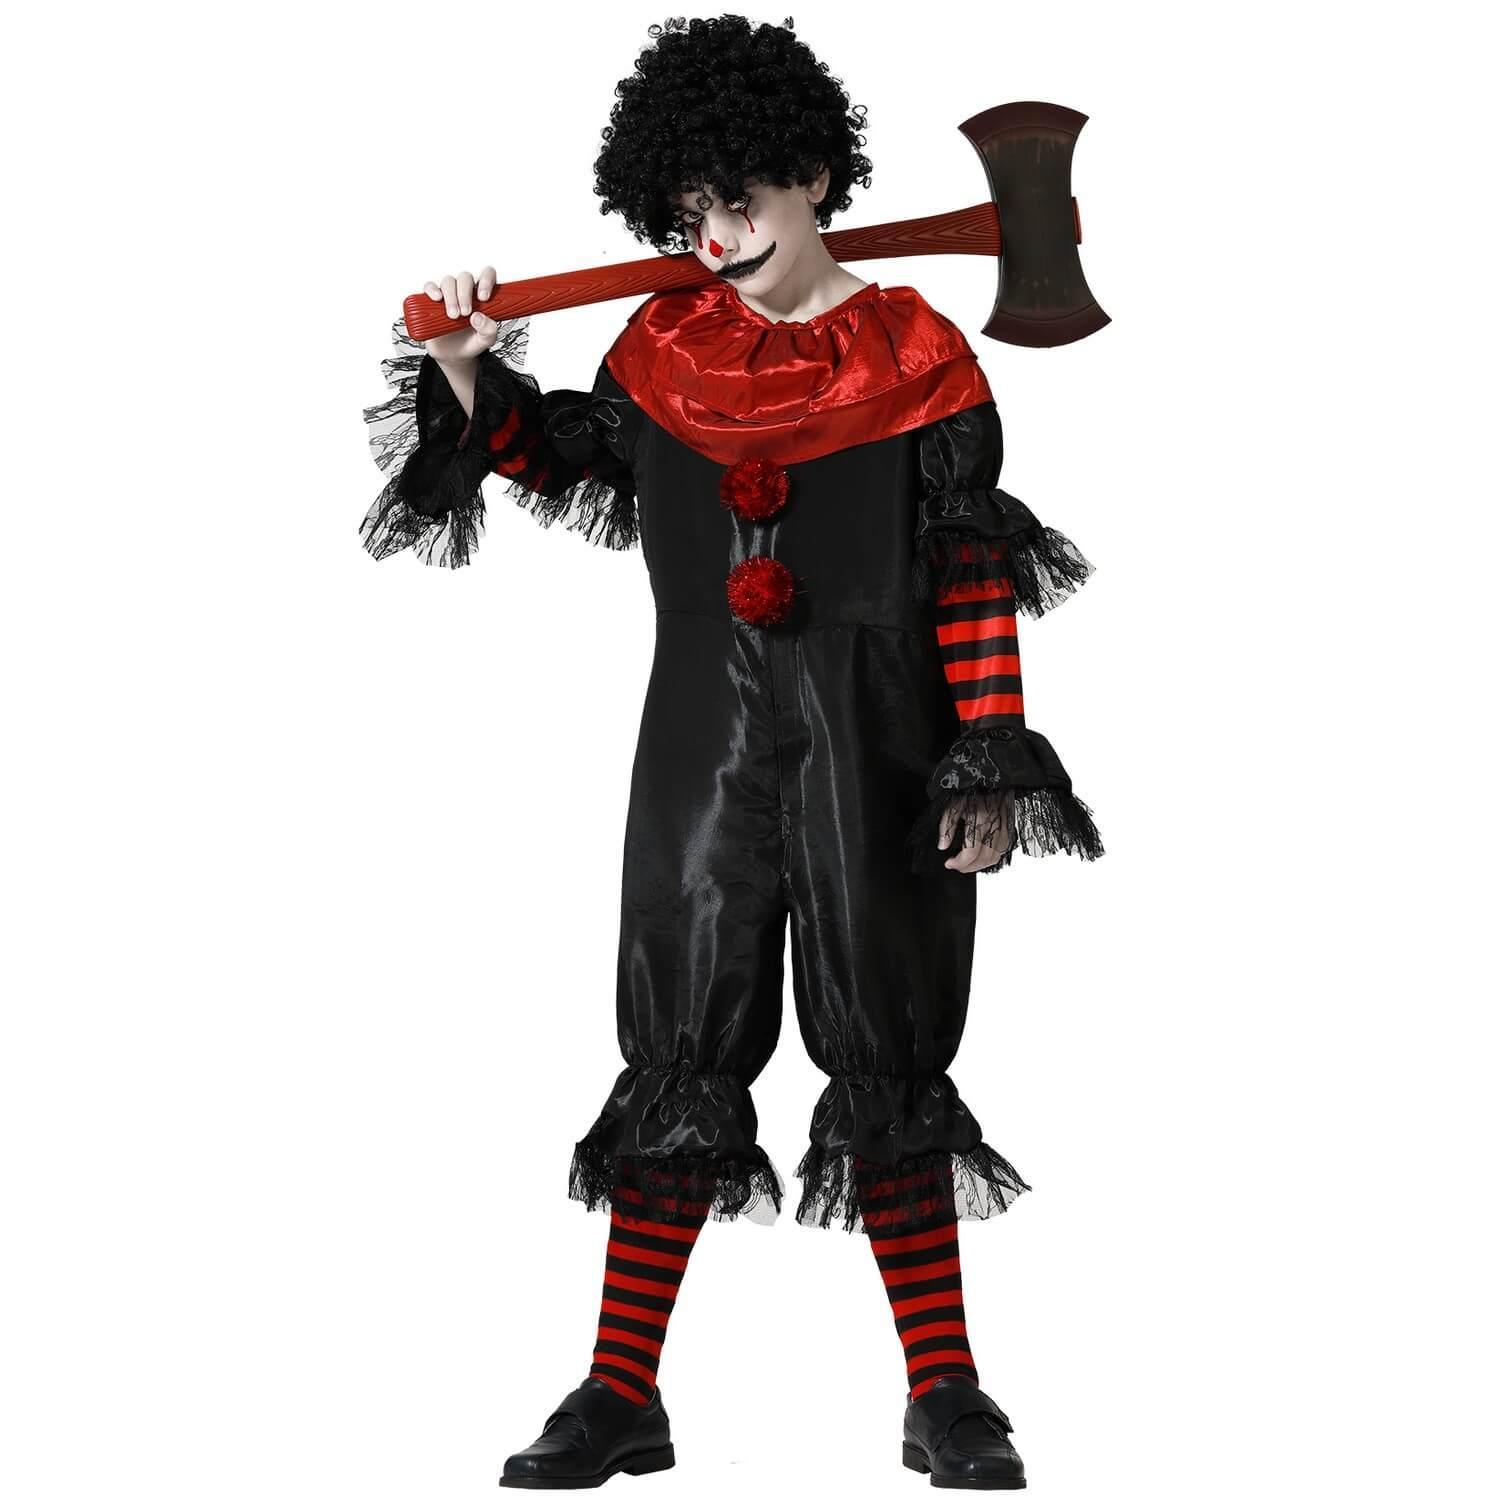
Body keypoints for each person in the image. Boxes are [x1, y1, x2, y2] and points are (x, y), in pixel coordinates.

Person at [360, 14, 1102, 1490]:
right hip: (702, 739)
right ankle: (618, 1391)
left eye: (742, 197)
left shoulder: (918, 352)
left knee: (889, 1038)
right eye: (688, 208)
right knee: (680, 1042)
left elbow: (968, 573)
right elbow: (550, 459)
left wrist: (987, 759)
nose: (715, 235)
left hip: (880, 740)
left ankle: (945, 1395)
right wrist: (462, 359)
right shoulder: (662, 350)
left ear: (813, 176)